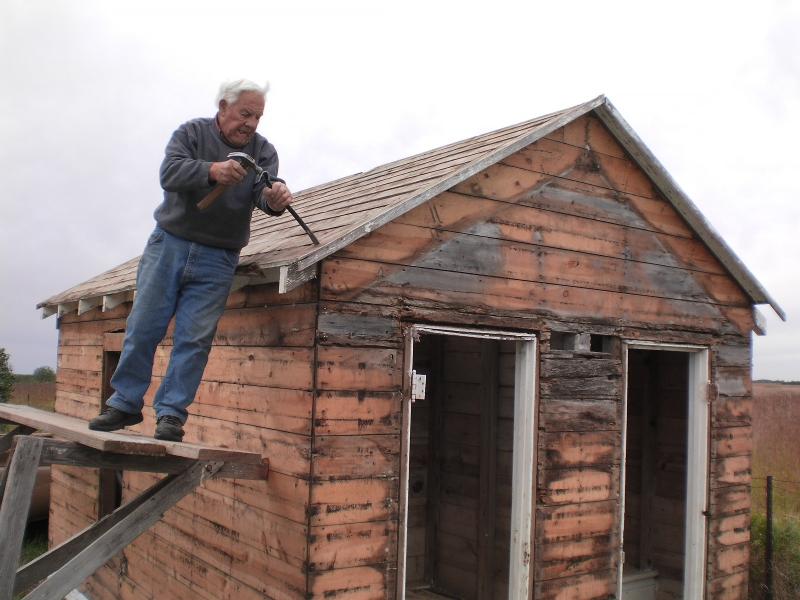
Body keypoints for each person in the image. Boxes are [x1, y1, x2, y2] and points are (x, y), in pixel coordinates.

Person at [89, 79, 293, 442]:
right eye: (245, 113)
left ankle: (171, 414)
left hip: (220, 255)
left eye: (258, 116)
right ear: (223, 107)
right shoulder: (191, 134)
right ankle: (124, 403)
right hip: (170, 243)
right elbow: (169, 174)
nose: (250, 123)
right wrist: (211, 171)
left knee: (194, 339)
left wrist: (274, 198)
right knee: (144, 326)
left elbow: (264, 193)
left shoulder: (263, 151)